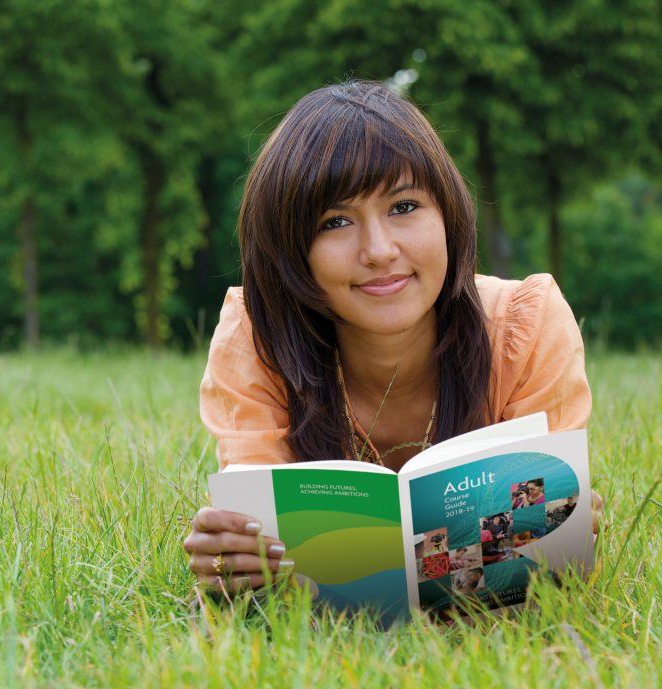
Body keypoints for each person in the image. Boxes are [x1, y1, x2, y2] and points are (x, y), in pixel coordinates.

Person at [183, 80, 604, 595]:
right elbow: (262, 534)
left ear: (447, 213)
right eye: (335, 221)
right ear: (289, 248)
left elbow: (546, 550)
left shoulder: (527, 323)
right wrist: (236, 554)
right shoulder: (256, 336)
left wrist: (567, 521)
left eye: (404, 207)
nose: (379, 250)